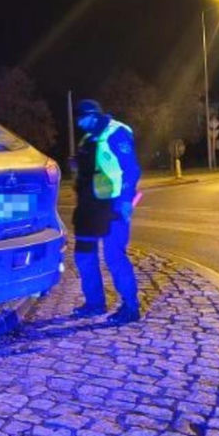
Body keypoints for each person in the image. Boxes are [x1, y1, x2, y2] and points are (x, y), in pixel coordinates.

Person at [71, 99, 142, 323]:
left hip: (112, 206)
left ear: (93, 115)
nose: (79, 123)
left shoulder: (116, 132)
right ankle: (95, 303)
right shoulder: (87, 138)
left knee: (114, 256)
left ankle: (131, 308)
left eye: (82, 118)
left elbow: (131, 169)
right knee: (84, 256)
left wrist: (125, 202)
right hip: (88, 208)